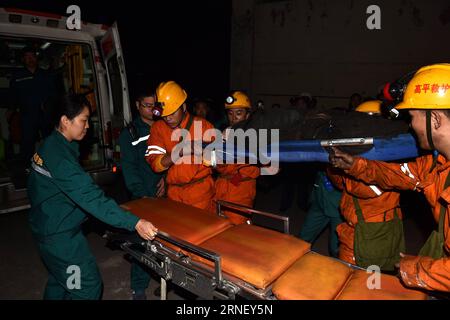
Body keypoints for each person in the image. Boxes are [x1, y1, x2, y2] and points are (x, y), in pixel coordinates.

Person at [330, 64, 450, 292]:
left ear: (434, 118)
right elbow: (397, 174)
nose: (410, 125)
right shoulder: (436, 165)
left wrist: (413, 268)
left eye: (412, 116)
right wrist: (355, 165)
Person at [27, 94, 158, 300]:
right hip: (59, 236)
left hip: (49, 226)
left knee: (60, 280)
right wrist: (135, 222)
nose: (87, 126)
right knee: (86, 286)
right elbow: (90, 198)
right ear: (65, 120)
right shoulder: (59, 158)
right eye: (83, 120)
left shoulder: (50, 145)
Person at [326, 100, 404, 270]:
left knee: (369, 283)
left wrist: (351, 167)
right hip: (355, 230)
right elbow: (341, 184)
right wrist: (334, 166)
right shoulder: (356, 155)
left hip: (374, 233)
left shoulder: (388, 162)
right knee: (350, 282)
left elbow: (370, 190)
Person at [119, 89, 165, 300]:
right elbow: (129, 170)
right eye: (147, 105)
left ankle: (166, 281)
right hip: (143, 198)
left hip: (165, 194)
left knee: (167, 244)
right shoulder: (129, 134)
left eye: (155, 105)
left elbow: (170, 158)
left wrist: (167, 179)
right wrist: (143, 197)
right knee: (142, 245)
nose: (152, 109)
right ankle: (138, 288)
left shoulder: (163, 127)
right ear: (137, 106)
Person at [145, 81, 216, 211]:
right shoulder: (158, 128)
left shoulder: (204, 127)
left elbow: (220, 162)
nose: (168, 118)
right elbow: (156, 164)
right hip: (173, 195)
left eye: (172, 113)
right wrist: (181, 151)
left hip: (200, 194)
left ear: (183, 107)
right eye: (165, 114)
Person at [214, 91, 260, 224]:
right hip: (221, 188)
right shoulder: (225, 133)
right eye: (230, 113)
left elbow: (263, 168)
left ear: (248, 114)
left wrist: (233, 180)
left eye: (239, 113)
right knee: (217, 227)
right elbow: (217, 163)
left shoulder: (256, 135)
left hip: (240, 189)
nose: (234, 117)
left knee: (237, 230)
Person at [9, 46, 57, 168]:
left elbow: (54, 95)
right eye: (27, 57)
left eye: (32, 56)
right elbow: (13, 96)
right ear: (23, 60)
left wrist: (52, 111)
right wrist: (11, 111)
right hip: (27, 114)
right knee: (27, 142)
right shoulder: (17, 77)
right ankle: (27, 168)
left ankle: (51, 165)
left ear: (36, 58)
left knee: (50, 141)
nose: (30, 59)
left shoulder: (46, 75)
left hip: (45, 114)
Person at [298, 168, 343, 258]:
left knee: (336, 248)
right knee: (302, 239)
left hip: (340, 206)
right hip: (319, 200)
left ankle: (340, 270)